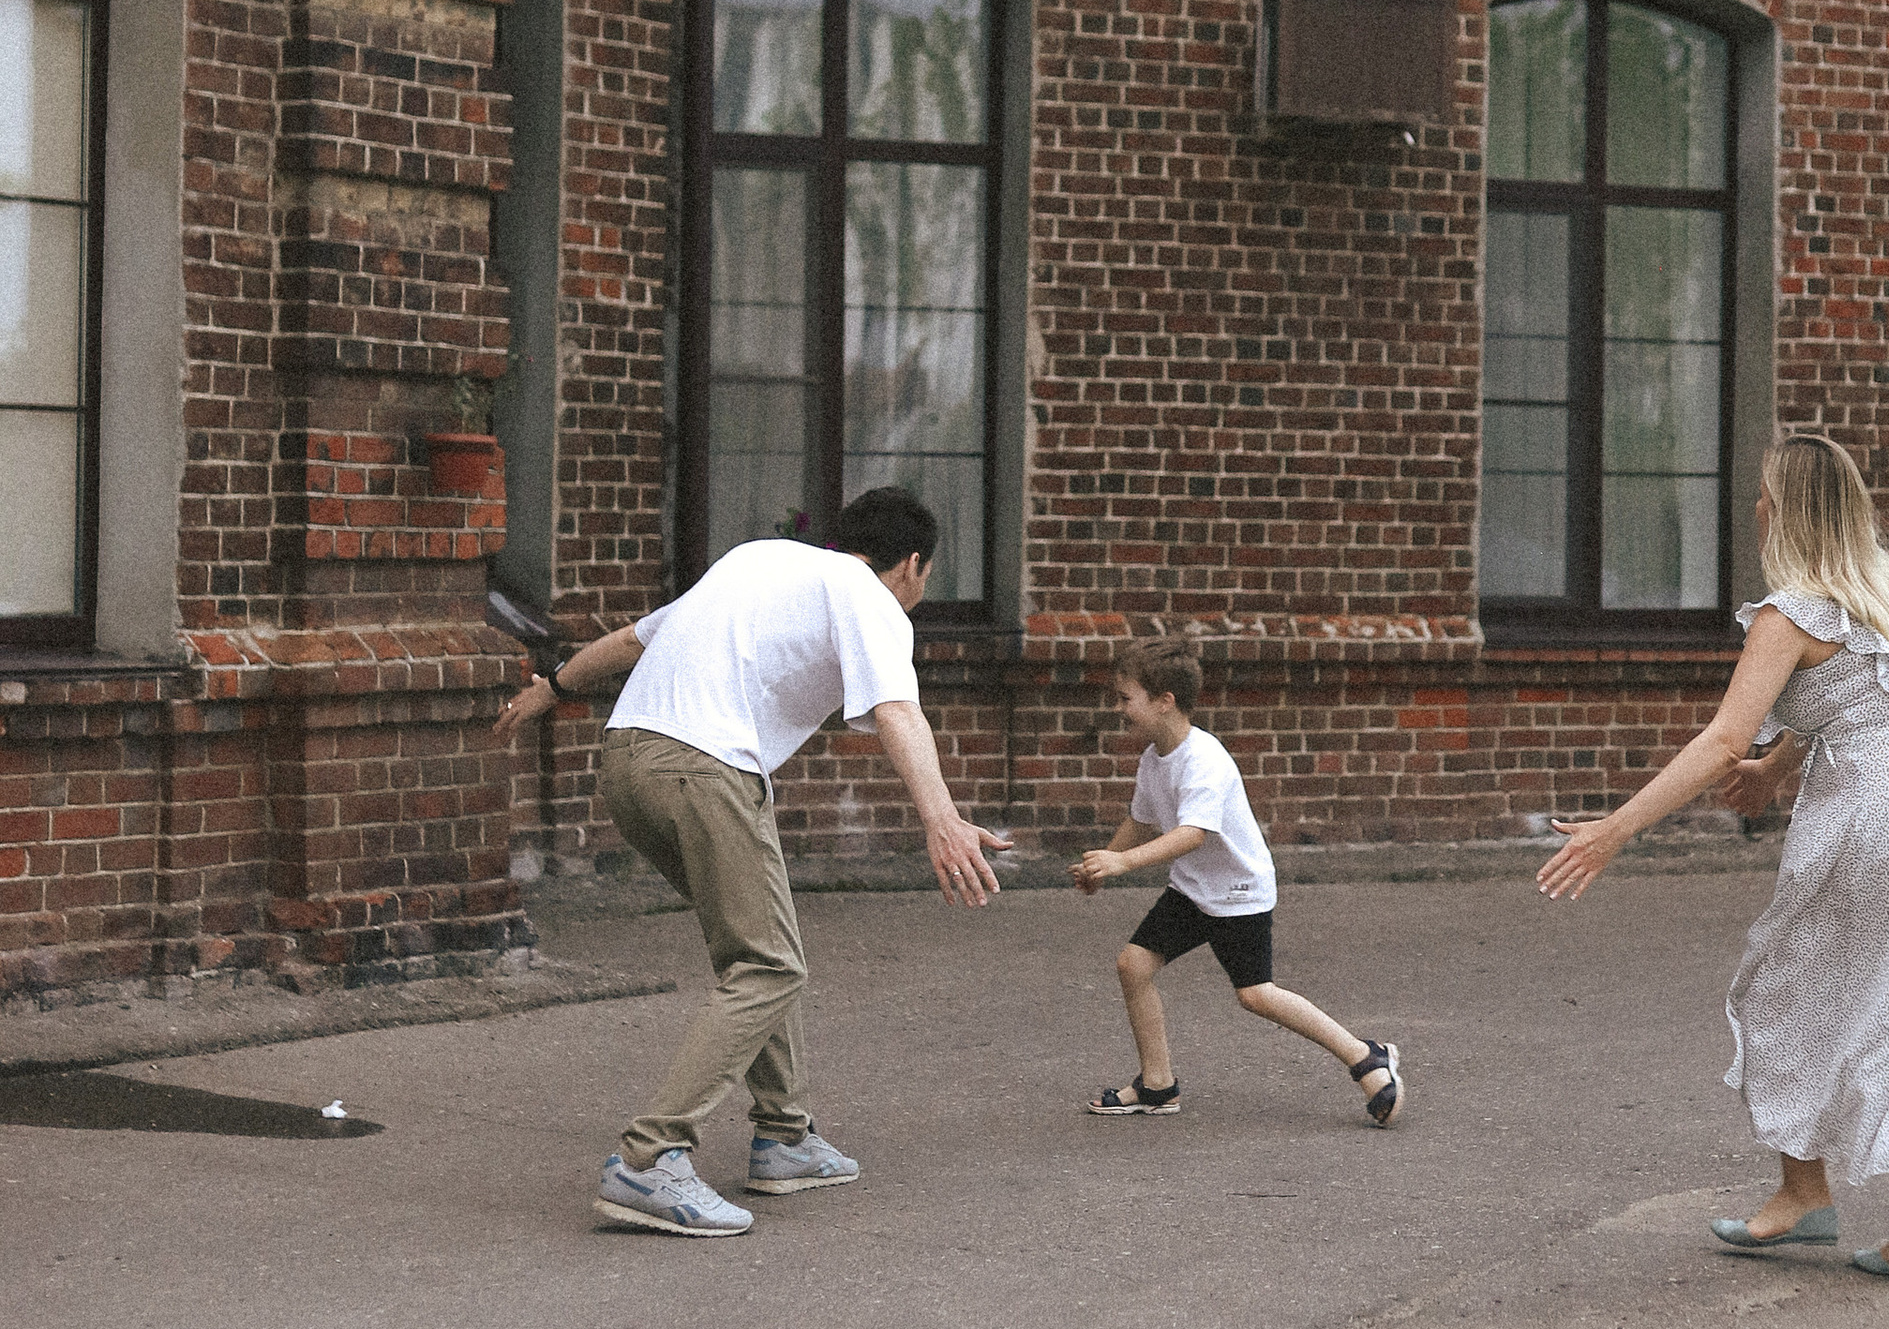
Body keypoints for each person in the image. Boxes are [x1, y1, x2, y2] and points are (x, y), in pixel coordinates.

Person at [1537, 432, 1889, 1285]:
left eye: (1763, 493)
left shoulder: (1791, 612)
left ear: (1786, 511)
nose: (1755, 506)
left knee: (1784, 990)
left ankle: (1804, 1193)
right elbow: (1873, 696)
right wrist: (1779, 767)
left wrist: (1615, 828)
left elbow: (1723, 736)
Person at [493, 485, 1006, 1235]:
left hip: (628, 760)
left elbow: (637, 639)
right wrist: (943, 820)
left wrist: (553, 687)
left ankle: (785, 1138)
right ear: (914, 565)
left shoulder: (760, 560)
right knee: (767, 966)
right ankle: (648, 1161)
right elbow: (899, 709)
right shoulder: (869, 595)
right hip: (705, 769)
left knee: (763, 949)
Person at [1073, 642, 1405, 1128]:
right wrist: (1101, 863)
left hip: (1238, 892)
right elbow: (1141, 819)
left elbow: (1193, 833)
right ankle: (1157, 1084)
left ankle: (1366, 1057)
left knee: (1256, 994)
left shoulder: (1204, 758)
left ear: (1164, 700)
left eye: (1126, 698)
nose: (1118, 708)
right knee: (1133, 965)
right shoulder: (1154, 758)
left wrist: (1121, 862)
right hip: (1193, 889)